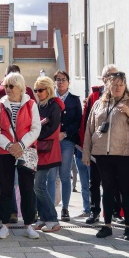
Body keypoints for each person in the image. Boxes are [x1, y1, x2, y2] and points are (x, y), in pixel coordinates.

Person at [82, 71, 129, 240]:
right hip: (103, 154)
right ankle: (107, 226)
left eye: (121, 85)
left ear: (125, 86)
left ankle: (128, 226)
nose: (117, 88)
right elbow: (89, 130)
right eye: (114, 84)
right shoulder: (99, 104)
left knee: (125, 190)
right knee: (108, 189)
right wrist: (86, 153)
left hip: (126, 154)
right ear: (108, 86)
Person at [0, 73, 41, 239]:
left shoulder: (31, 104)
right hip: (5, 152)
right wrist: (9, 145)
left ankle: (28, 225)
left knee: (27, 188)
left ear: (20, 87)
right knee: (5, 188)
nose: (8, 89)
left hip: (25, 151)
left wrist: (21, 145)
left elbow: (35, 128)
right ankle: (4, 224)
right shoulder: (0, 105)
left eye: (11, 86)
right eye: (6, 86)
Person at [79, 64, 119, 224]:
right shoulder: (94, 97)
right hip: (97, 146)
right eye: (109, 75)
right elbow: (86, 124)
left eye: (115, 74)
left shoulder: (123, 94)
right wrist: (86, 149)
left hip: (116, 146)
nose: (112, 77)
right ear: (103, 79)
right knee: (94, 181)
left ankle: (115, 211)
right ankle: (94, 211)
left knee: (114, 180)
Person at [33, 76, 64, 232]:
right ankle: (43, 218)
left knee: (39, 186)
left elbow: (51, 128)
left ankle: (52, 219)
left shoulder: (54, 106)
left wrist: (34, 134)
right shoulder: (40, 105)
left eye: (40, 90)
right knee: (37, 186)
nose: (38, 93)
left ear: (48, 89)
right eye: (36, 90)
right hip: (39, 150)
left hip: (49, 151)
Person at [52, 70, 82, 221]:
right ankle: (50, 208)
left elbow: (78, 122)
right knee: (51, 176)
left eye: (63, 79)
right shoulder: (50, 98)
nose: (61, 82)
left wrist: (65, 134)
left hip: (67, 141)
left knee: (64, 176)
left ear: (68, 82)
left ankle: (65, 208)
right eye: (58, 79)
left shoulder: (74, 100)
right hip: (51, 142)